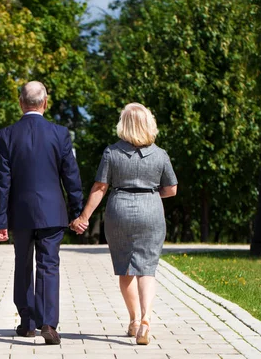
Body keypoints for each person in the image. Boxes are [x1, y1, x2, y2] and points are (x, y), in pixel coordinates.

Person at [71, 103, 177, 345]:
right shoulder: (160, 154)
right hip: (151, 210)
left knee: (125, 268)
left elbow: (100, 187)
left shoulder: (112, 152)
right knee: (147, 268)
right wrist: (150, 195)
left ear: (124, 125)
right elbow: (171, 189)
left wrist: (84, 217)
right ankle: (147, 319)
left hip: (119, 209)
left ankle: (134, 320)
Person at [0, 81, 83, 345]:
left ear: (21, 102)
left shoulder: (7, 135)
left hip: (19, 213)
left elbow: (2, 181)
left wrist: (0, 218)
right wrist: (77, 211)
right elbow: (71, 176)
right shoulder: (60, 134)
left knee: (23, 263)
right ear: (45, 103)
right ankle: (48, 324)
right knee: (48, 265)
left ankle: (27, 322)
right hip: (52, 212)